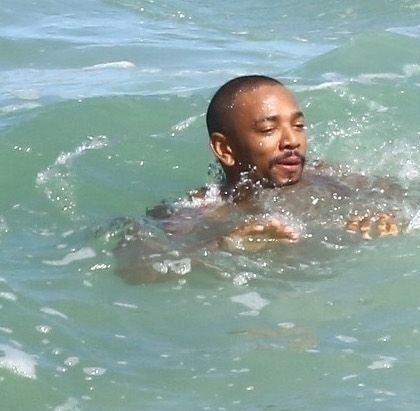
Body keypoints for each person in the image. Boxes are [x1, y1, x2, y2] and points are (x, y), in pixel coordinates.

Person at [114, 76, 402, 279]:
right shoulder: (201, 210)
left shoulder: (332, 178)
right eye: (268, 130)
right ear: (225, 149)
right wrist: (224, 247)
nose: (292, 141)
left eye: (298, 125)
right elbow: (135, 269)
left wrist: (388, 222)